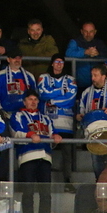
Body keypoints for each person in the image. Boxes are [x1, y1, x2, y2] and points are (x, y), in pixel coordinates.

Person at [11, 89, 61, 213]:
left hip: (45, 158)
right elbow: (16, 131)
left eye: (35, 100)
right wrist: (30, 135)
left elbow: (53, 133)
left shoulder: (46, 118)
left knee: (46, 194)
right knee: (28, 192)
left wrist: (56, 137)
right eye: (30, 99)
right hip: (27, 157)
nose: (33, 102)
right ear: (24, 101)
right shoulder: (18, 115)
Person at [38, 54, 77, 192]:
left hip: (66, 123)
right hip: (46, 122)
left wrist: (52, 100)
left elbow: (70, 99)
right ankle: (44, 183)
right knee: (45, 153)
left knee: (67, 153)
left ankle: (67, 181)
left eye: (61, 62)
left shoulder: (71, 79)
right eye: (57, 61)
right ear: (52, 63)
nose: (59, 64)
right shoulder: (43, 77)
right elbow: (42, 94)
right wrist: (61, 91)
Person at [78, 64, 107, 178]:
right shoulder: (86, 92)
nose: (92, 78)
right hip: (94, 132)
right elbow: (82, 108)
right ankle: (99, 183)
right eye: (92, 75)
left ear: (104, 76)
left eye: (95, 75)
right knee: (96, 159)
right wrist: (80, 116)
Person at [0, 51, 36, 128]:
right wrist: (1, 113)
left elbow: (35, 97)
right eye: (14, 58)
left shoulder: (29, 76)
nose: (17, 60)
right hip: (6, 116)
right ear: (8, 59)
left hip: (25, 117)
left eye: (19, 58)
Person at [65, 21, 107, 89]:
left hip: (97, 83)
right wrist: (85, 52)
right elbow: (68, 53)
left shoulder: (99, 43)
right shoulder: (75, 42)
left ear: (95, 32)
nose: (88, 34)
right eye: (85, 31)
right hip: (80, 83)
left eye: (91, 31)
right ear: (81, 31)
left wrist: (98, 53)